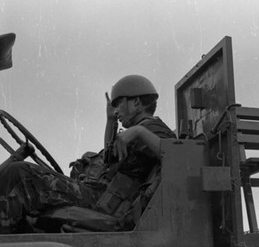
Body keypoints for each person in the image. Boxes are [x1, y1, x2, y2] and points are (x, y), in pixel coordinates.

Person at [0, 75, 176, 233]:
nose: (116, 111)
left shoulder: (153, 128)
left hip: (100, 201)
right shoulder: (141, 130)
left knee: (20, 174)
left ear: (136, 102)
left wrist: (139, 132)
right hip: (99, 196)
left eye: (119, 104)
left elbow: (177, 158)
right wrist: (110, 121)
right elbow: (110, 157)